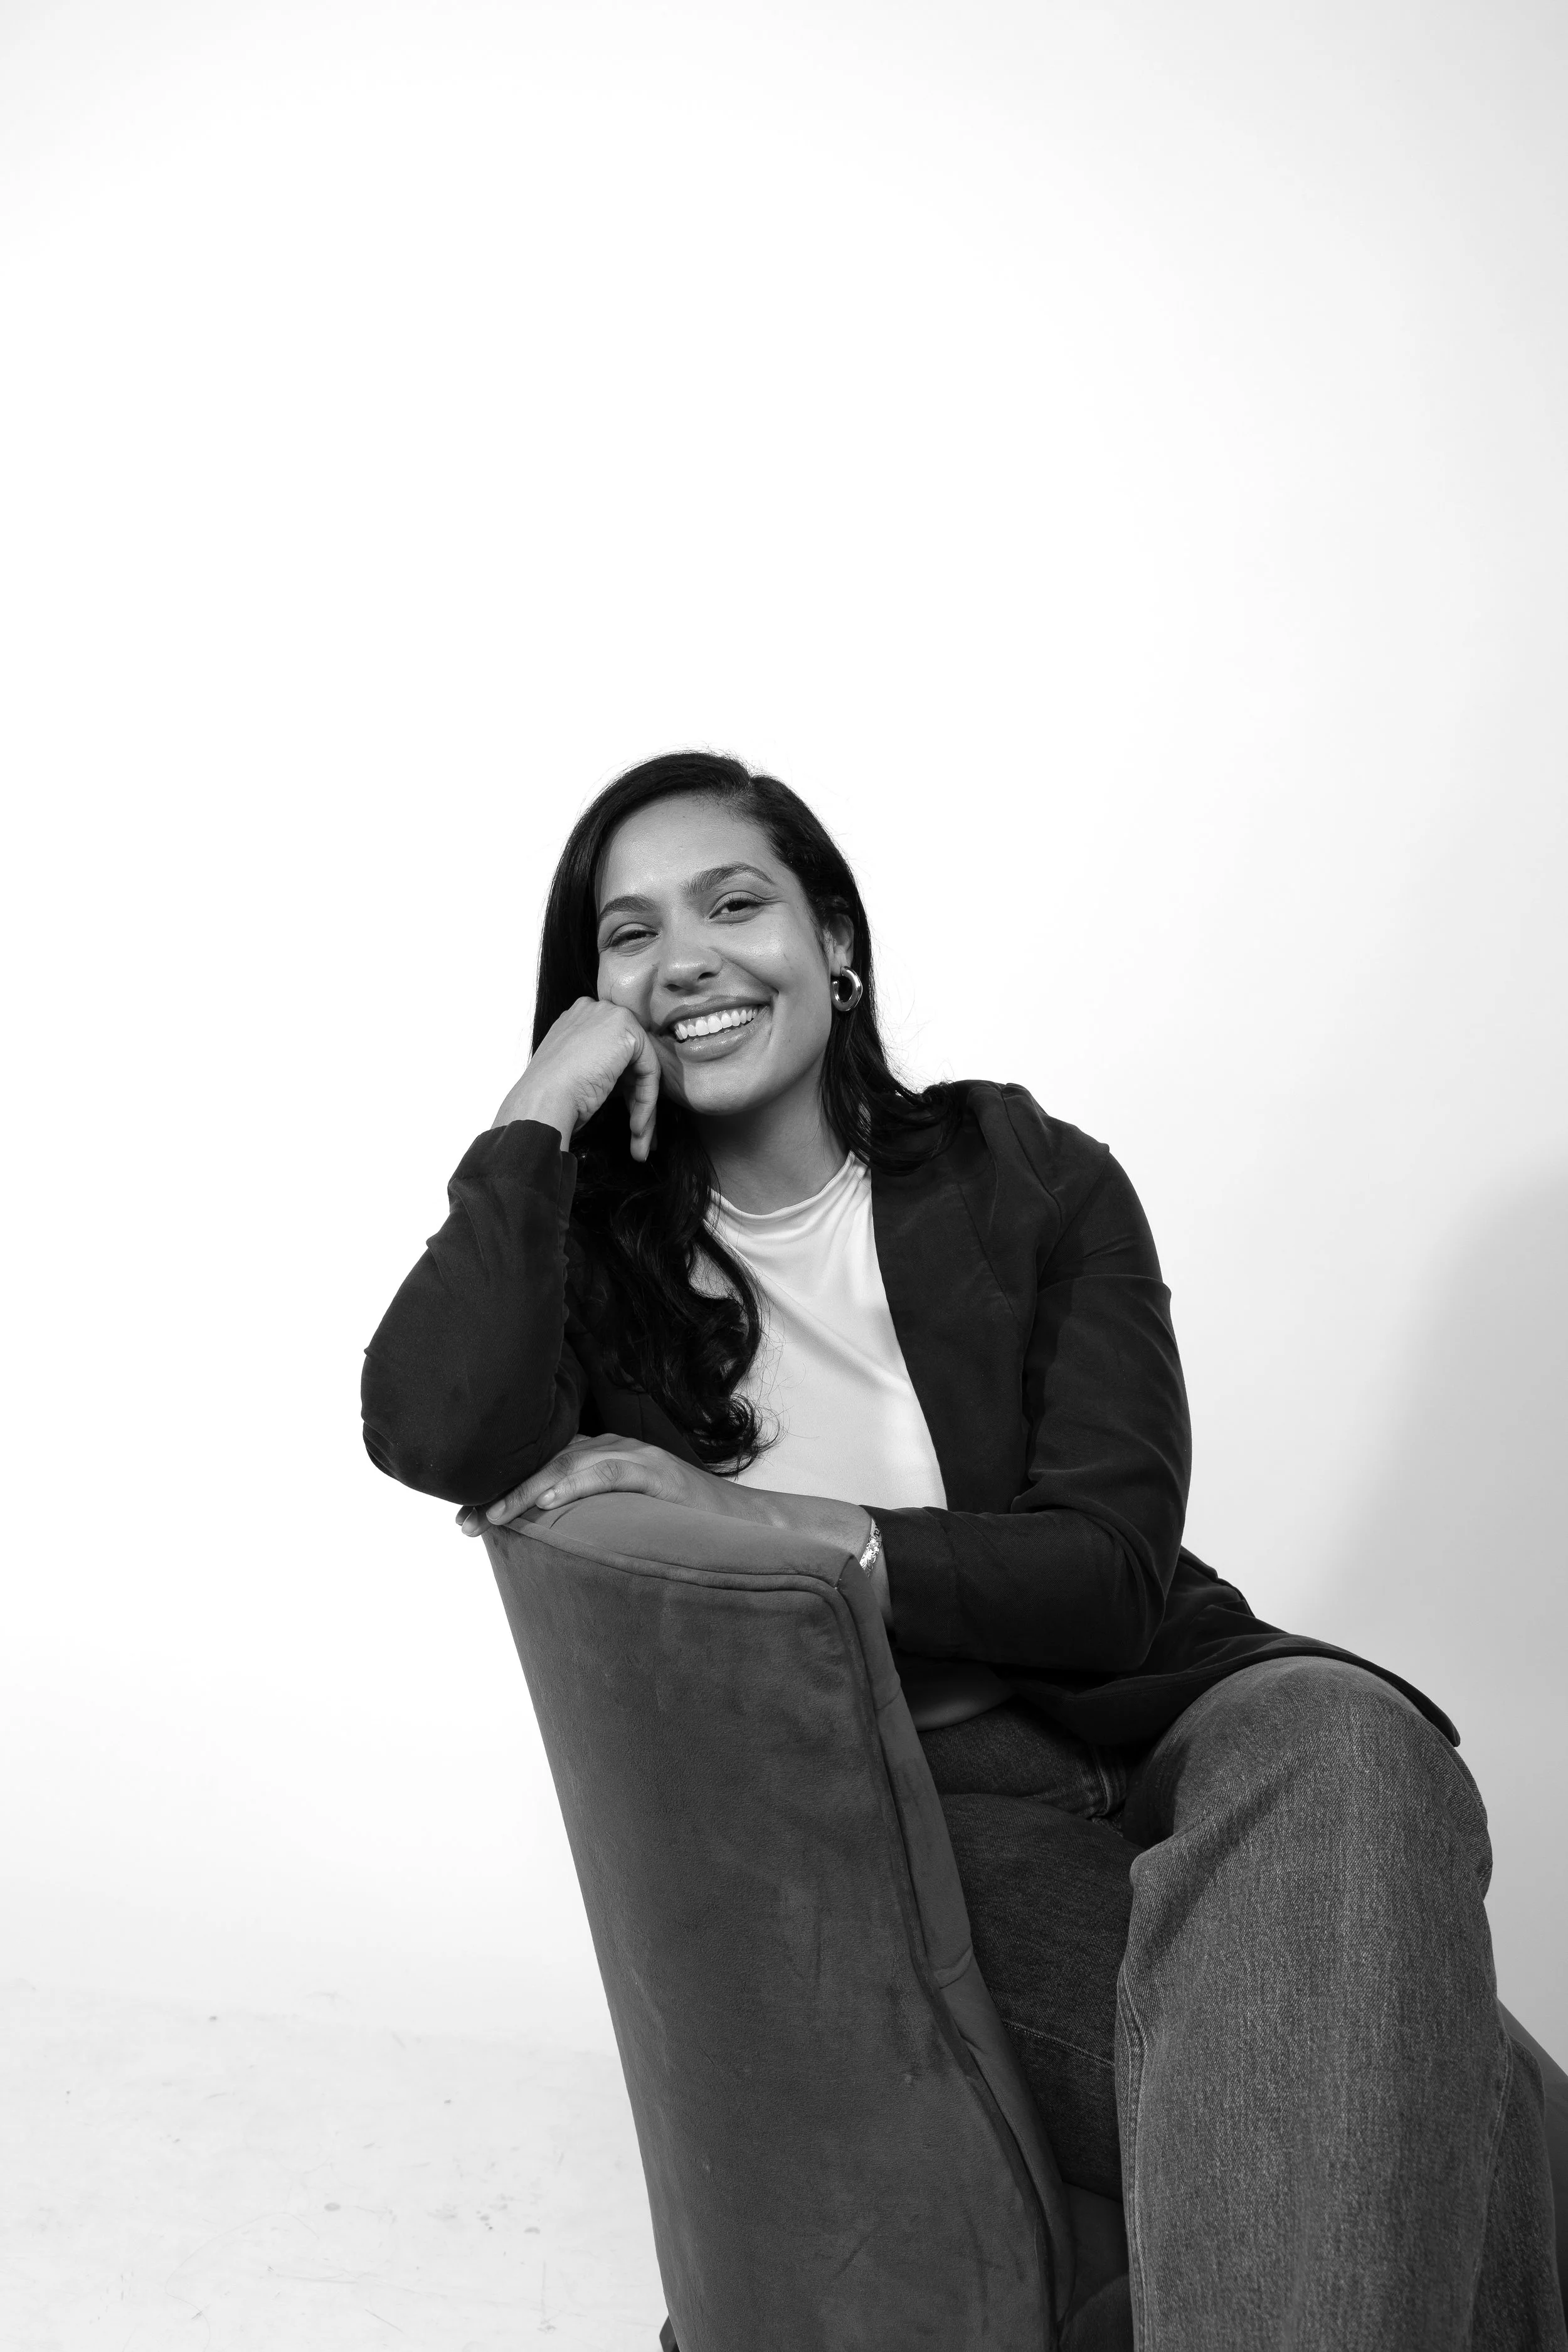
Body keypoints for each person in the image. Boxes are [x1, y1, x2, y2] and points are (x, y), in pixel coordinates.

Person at [362, 750, 1565, 2349]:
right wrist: (534, 1111)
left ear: (836, 941)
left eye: (737, 903)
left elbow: (1105, 1572)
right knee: (1481, 2115)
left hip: (1164, 1701)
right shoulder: (590, 1277)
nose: (687, 958)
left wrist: (780, 1522)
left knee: (1354, 1739)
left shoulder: (1026, 1177)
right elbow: (427, 1424)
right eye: (627, 936)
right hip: (924, 1807)